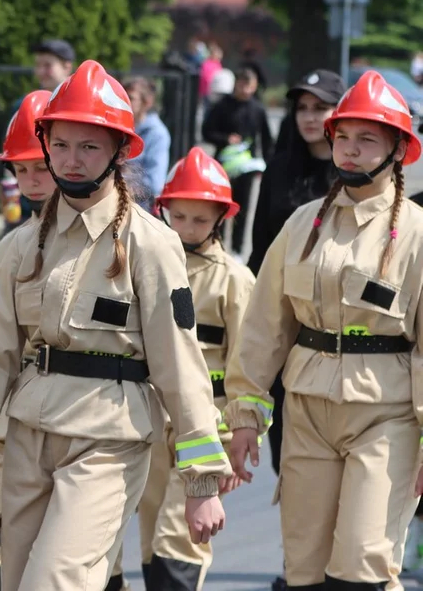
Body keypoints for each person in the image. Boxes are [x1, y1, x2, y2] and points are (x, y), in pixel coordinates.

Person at [0, 60, 230, 591]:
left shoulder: (151, 243)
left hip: (109, 443)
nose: (71, 160)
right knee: (19, 582)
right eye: (61, 144)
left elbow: (180, 365)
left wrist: (202, 479)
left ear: (119, 151)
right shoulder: (21, 246)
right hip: (29, 436)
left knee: (56, 583)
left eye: (89, 147)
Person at [226, 70, 423, 590]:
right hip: (307, 411)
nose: (350, 150)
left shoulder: (419, 233)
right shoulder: (302, 225)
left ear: (399, 148)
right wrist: (245, 413)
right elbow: (265, 327)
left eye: (366, 139)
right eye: (342, 138)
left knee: (363, 564)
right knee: (305, 569)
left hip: (388, 414)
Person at [110, 148, 254, 591]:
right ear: (164, 210)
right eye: (180, 216)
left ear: (221, 218)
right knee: (151, 541)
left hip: (205, 423)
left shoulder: (234, 279)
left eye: (200, 219)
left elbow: (245, 368)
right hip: (149, 419)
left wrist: (232, 439)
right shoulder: (145, 264)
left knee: (180, 544)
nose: (188, 228)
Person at [0, 90, 53, 591]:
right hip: (10, 431)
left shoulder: (123, 244)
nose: (31, 180)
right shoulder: (12, 249)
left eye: (39, 166)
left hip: (87, 436)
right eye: (20, 170)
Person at [0, 41, 77, 231]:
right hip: (25, 210)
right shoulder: (22, 107)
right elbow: (9, 155)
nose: (41, 71)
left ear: (67, 66)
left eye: (48, 65)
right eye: (38, 65)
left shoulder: (77, 110)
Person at [200, 66, 273, 255]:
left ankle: (238, 251)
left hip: (247, 166)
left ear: (255, 86)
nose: (245, 89)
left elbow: (266, 140)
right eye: (242, 84)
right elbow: (207, 132)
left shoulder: (257, 109)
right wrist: (226, 139)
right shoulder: (222, 105)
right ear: (236, 84)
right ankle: (218, 245)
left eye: (249, 86)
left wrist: (268, 166)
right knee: (222, 206)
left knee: (243, 208)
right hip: (223, 164)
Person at [123, 76, 171, 211]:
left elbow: (155, 184)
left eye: (131, 98)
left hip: (137, 213)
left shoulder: (157, 134)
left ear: (147, 102)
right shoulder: (120, 129)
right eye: (122, 97)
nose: (124, 102)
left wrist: (119, 180)